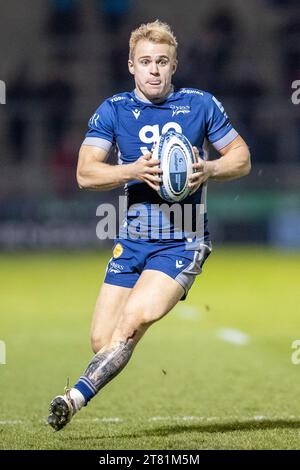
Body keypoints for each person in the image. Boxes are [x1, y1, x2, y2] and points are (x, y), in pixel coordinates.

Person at [47, 20, 251, 431]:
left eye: (162, 61)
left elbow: (242, 158)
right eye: (145, 61)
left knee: (135, 318)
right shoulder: (114, 109)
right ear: (131, 66)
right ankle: (111, 357)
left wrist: (209, 168)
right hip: (134, 239)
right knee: (103, 343)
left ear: (174, 65)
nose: (154, 70)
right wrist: (134, 170)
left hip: (184, 238)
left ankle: (71, 399)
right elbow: (85, 174)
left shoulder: (201, 104)